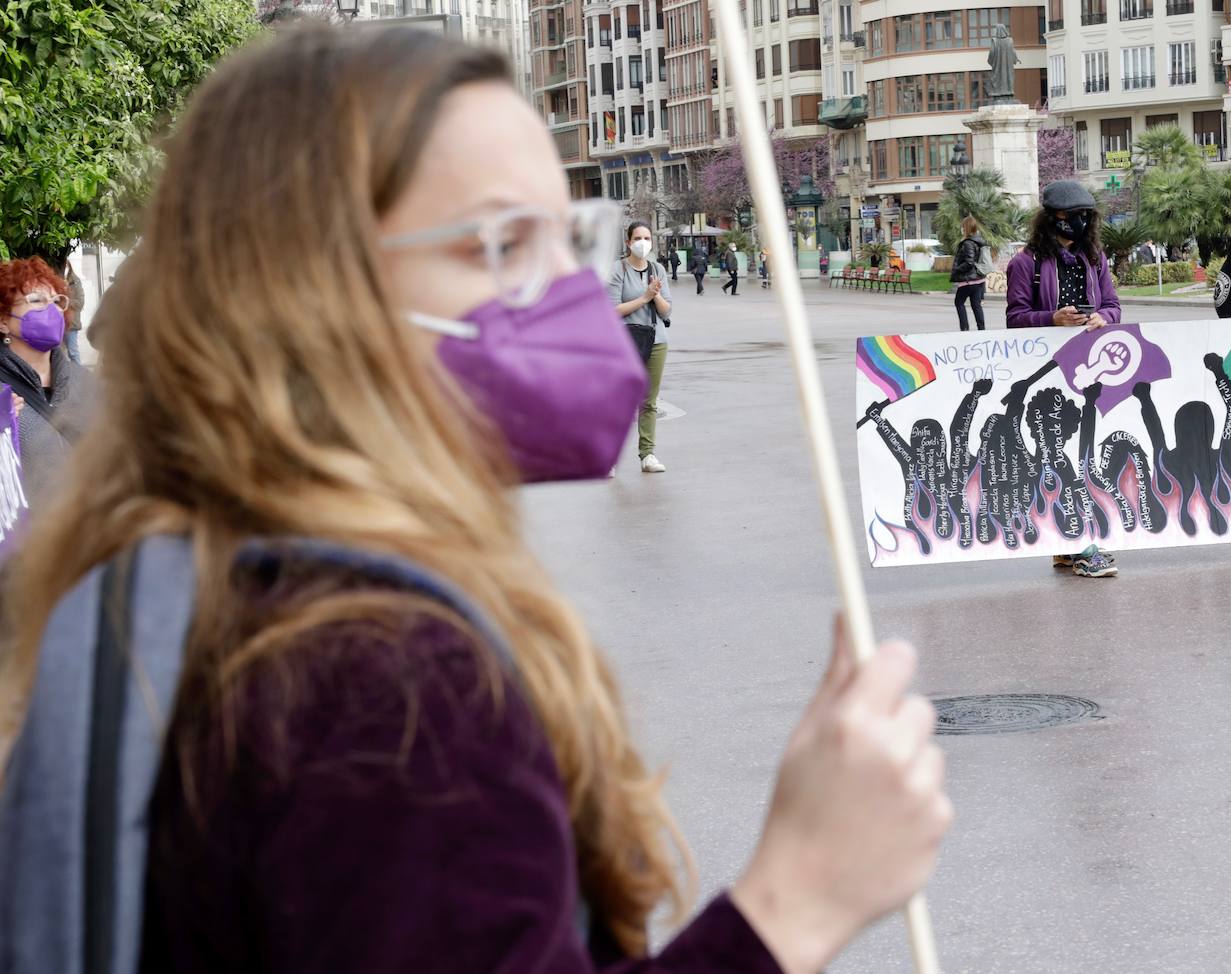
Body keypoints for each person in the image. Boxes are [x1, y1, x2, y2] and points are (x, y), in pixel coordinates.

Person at [0, 28, 951, 974]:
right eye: (499, 241)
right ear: (310, 290)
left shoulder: (156, 578)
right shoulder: (384, 686)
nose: (563, 291)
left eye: (564, 237)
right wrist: (797, 897)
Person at [1005, 179, 1121, 579]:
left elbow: (1113, 305)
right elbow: (1014, 318)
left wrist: (1104, 317)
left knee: (1084, 454)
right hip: (1045, 377)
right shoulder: (1025, 263)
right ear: (1052, 219)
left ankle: (1069, 544)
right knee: (1059, 458)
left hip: (1088, 371)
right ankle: (1080, 543)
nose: (1080, 223)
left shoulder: (1095, 257)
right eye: (1072, 217)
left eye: (1085, 217)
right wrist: (1050, 319)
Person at [0, 256, 98, 507]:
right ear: (3, 321)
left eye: (57, 301)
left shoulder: (86, 384)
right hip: (27, 541)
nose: (52, 309)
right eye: (37, 300)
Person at [609, 220, 672, 474]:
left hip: (656, 341)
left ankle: (647, 454)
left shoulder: (657, 269)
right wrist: (644, 297)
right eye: (638, 238)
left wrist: (655, 295)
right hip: (625, 342)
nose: (642, 243)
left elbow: (667, 309)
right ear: (628, 242)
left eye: (647, 238)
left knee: (649, 401)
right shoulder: (617, 270)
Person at [949, 216, 989, 332]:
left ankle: (964, 329)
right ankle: (981, 329)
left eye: (963, 226)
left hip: (969, 280)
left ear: (966, 228)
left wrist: (957, 269)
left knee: (959, 302)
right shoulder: (978, 241)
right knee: (976, 305)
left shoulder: (968, 243)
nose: (962, 229)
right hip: (978, 280)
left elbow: (969, 262)